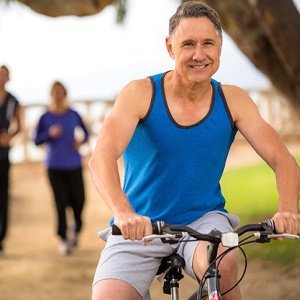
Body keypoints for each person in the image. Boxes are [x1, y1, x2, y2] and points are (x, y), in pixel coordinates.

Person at [88, 1, 300, 299]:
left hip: (203, 221)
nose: (199, 54)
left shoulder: (233, 100)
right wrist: (123, 213)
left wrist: (288, 209)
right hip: (140, 224)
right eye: (188, 44)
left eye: (208, 44)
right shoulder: (140, 94)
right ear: (170, 47)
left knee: (223, 264)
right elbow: (101, 158)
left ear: (220, 48)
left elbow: (283, 159)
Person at [34, 81, 89, 255]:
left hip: (73, 164)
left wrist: (80, 141)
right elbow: (36, 140)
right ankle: (63, 238)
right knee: (60, 202)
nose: (57, 95)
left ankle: (76, 227)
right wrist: (49, 134)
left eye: (60, 92)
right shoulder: (45, 117)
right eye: (54, 92)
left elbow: (86, 133)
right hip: (54, 166)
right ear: (51, 95)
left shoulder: (73, 114)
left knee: (79, 200)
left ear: (65, 94)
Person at [0, 65, 22, 257]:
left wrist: (10, 136)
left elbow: (19, 125)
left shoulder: (13, 100)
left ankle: (1, 239)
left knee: (3, 196)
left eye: (4, 75)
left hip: (3, 154)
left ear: (8, 78)